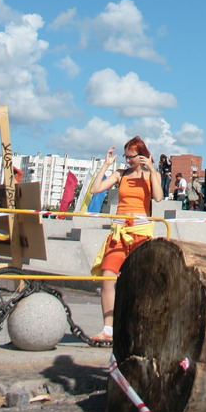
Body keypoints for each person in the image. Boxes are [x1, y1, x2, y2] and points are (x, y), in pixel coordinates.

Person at [90, 137, 163, 344]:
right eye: (126, 156)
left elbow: (158, 197)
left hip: (140, 230)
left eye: (132, 157)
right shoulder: (120, 174)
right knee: (108, 276)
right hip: (120, 231)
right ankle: (108, 328)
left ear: (142, 155)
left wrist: (152, 169)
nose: (128, 160)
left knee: (140, 281)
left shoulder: (151, 175)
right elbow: (96, 189)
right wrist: (106, 165)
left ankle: (139, 327)